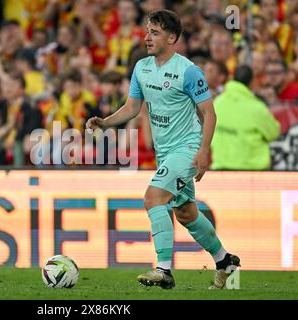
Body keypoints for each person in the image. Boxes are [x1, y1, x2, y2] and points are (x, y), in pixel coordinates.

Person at [86, 10, 240, 290]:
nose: (147, 37)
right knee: (186, 213)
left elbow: (209, 113)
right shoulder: (142, 68)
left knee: (153, 197)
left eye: (154, 33)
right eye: (147, 31)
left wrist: (204, 151)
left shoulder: (189, 71)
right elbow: (133, 107)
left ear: (172, 38)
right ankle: (224, 260)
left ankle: (164, 270)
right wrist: (106, 122)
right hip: (166, 152)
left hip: (188, 148)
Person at [211, 65, 281, 170]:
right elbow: (274, 133)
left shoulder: (217, 103)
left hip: (221, 168)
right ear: (252, 82)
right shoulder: (257, 107)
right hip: (252, 170)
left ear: (232, 78)